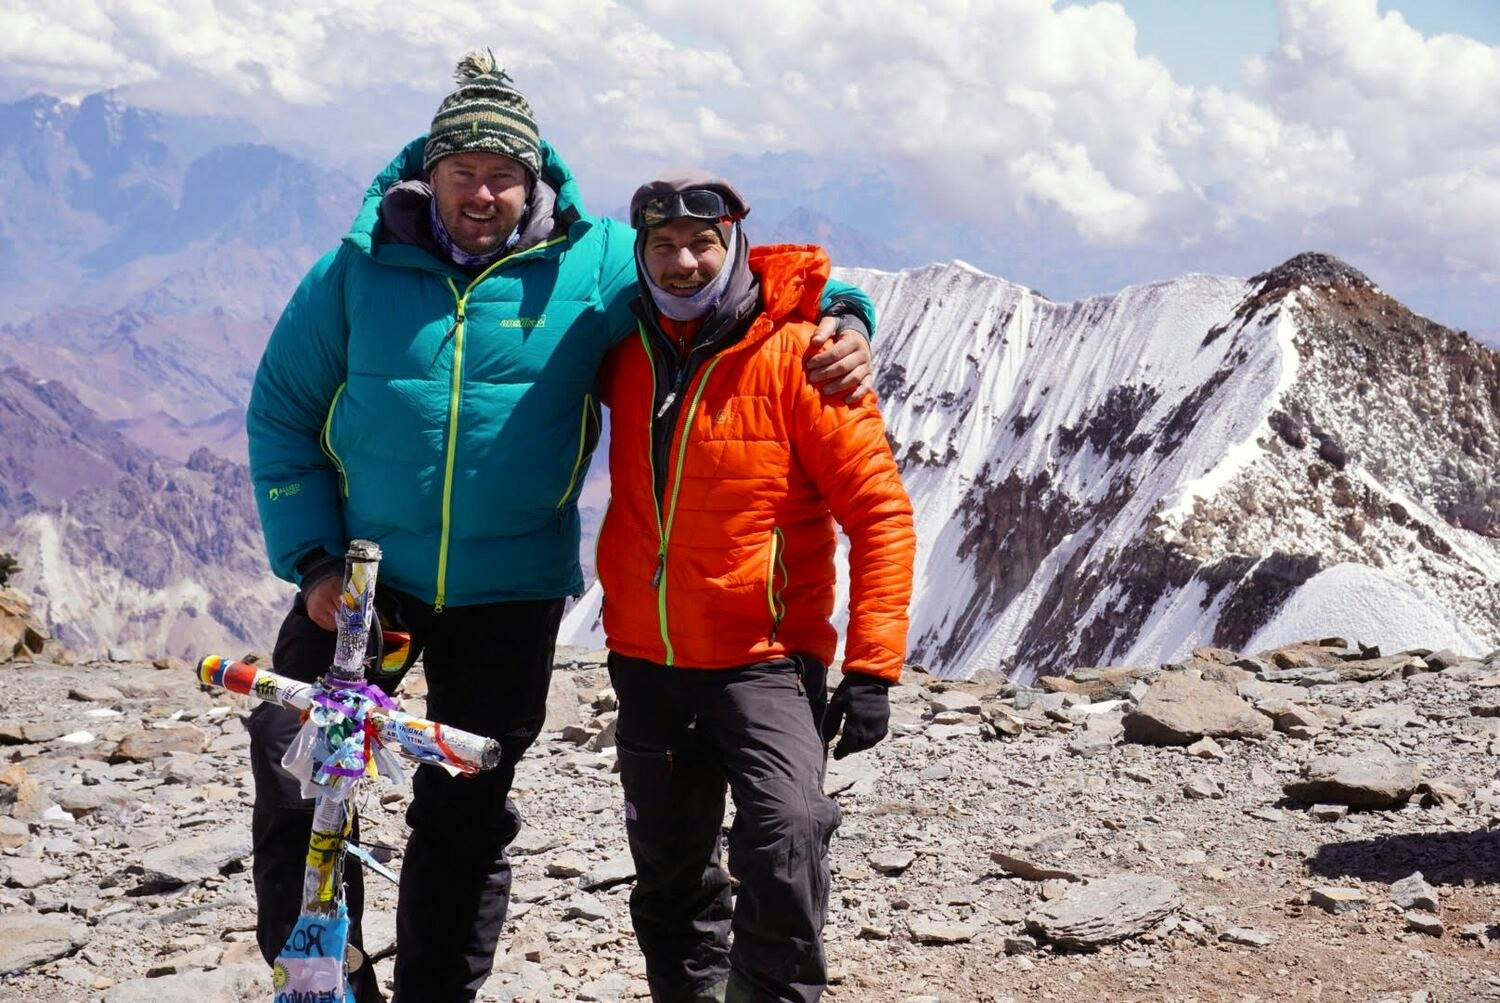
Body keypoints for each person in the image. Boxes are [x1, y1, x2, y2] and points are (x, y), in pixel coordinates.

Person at [245, 52, 877, 1002]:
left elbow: (731, 278)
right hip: (367, 583)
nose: (483, 191)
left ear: (535, 176)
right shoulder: (357, 268)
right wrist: (314, 559)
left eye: (504, 173)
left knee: (465, 800)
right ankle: (318, 976)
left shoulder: (599, 261)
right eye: (464, 171)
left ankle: (433, 992)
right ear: (431, 169)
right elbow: (282, 413)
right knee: (294, 763)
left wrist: (845, 314)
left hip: (510, 592)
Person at [595, 171, 916, 1002]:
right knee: (670, 876)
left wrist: (873, 668)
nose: (683, 262)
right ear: (640, 254)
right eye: (662, 246)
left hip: (765, 657)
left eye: (703, 242)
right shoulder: (621, 344)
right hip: (648, 656)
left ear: (734, 242)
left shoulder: (802, 356)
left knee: (789, 833)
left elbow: (880, 514)